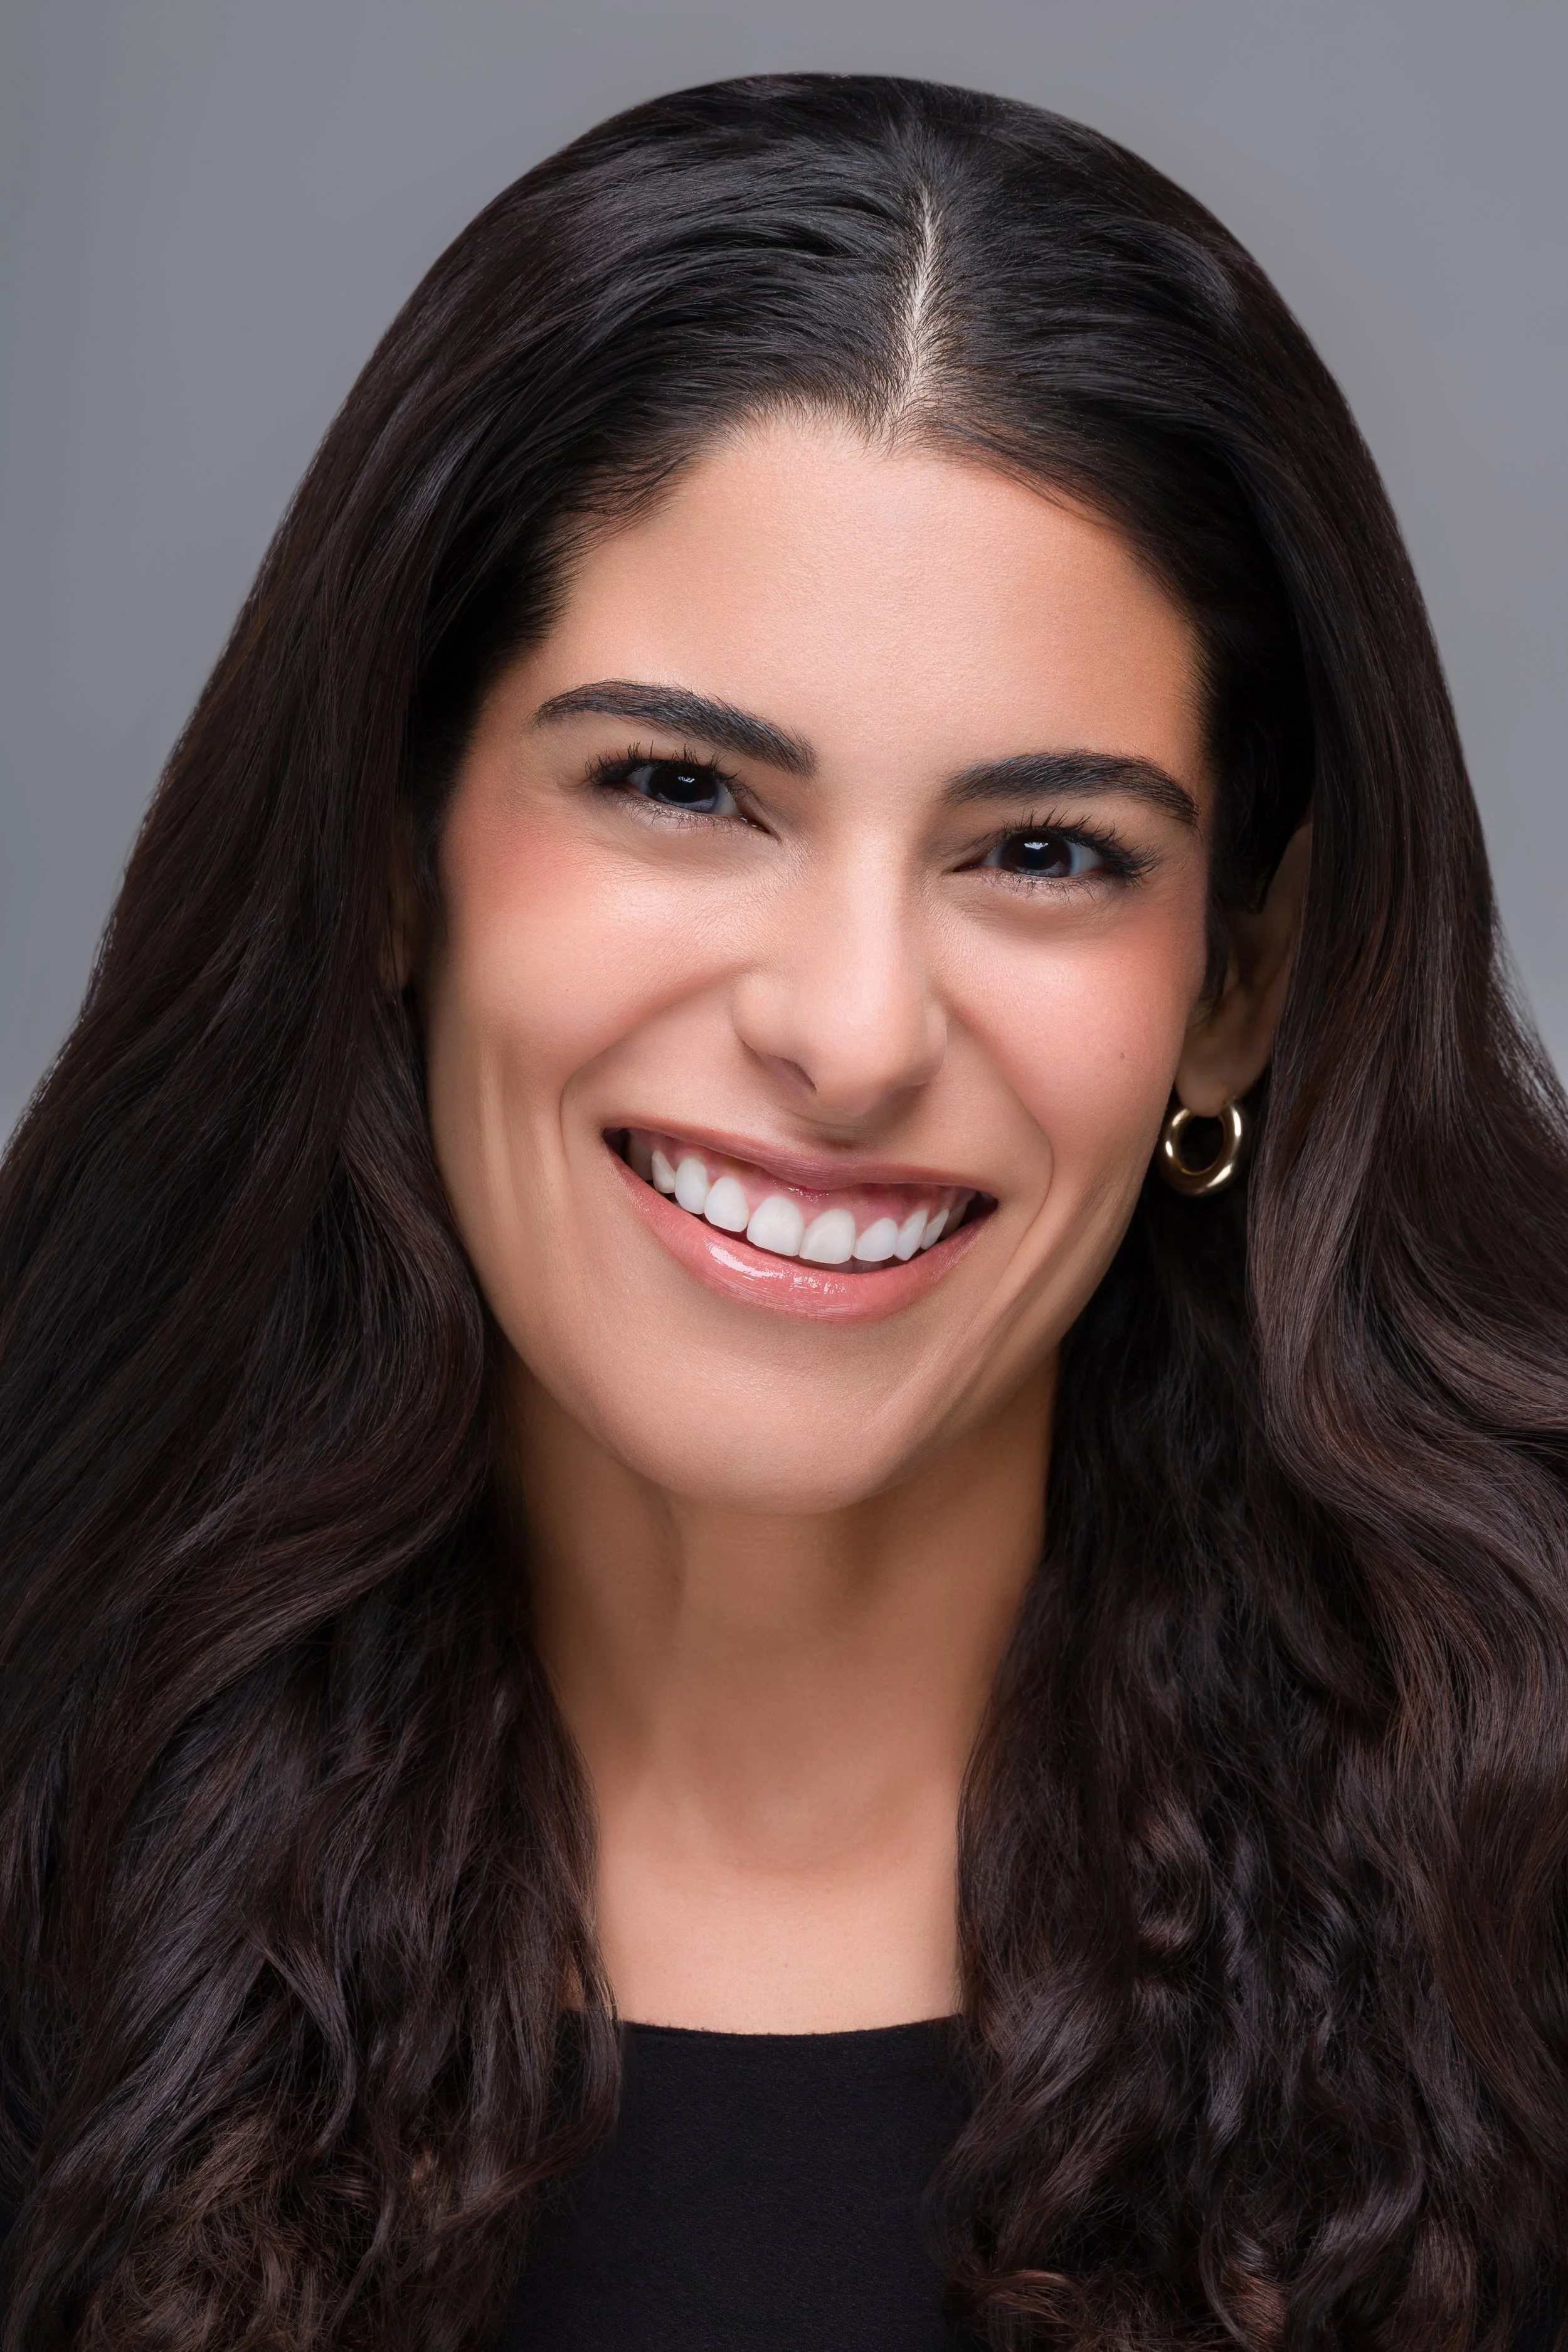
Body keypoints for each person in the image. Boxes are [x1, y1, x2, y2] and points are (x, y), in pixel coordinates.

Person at [1, 70, 1565, 2352]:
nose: (847, 1034)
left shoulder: (1519, 1926)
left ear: (1229, 988)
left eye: (1045, 851)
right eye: (678, 785)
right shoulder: (43, 1820)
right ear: (393, 856)